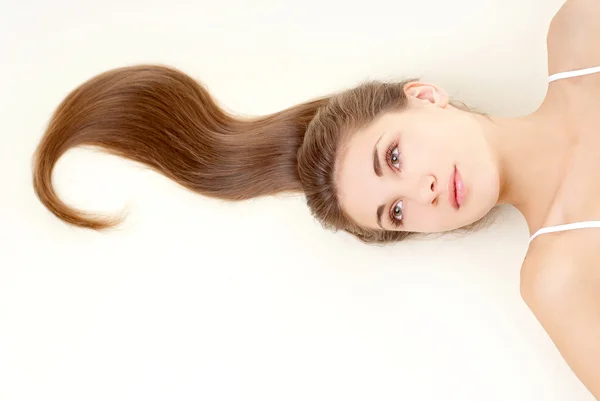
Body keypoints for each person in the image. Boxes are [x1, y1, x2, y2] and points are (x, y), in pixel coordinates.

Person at [31, 0, 600, 398]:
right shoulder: (557, 276)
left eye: (394, 157)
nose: (422, 192)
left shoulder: (578, 33)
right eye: (396, 213)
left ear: (426, 97)